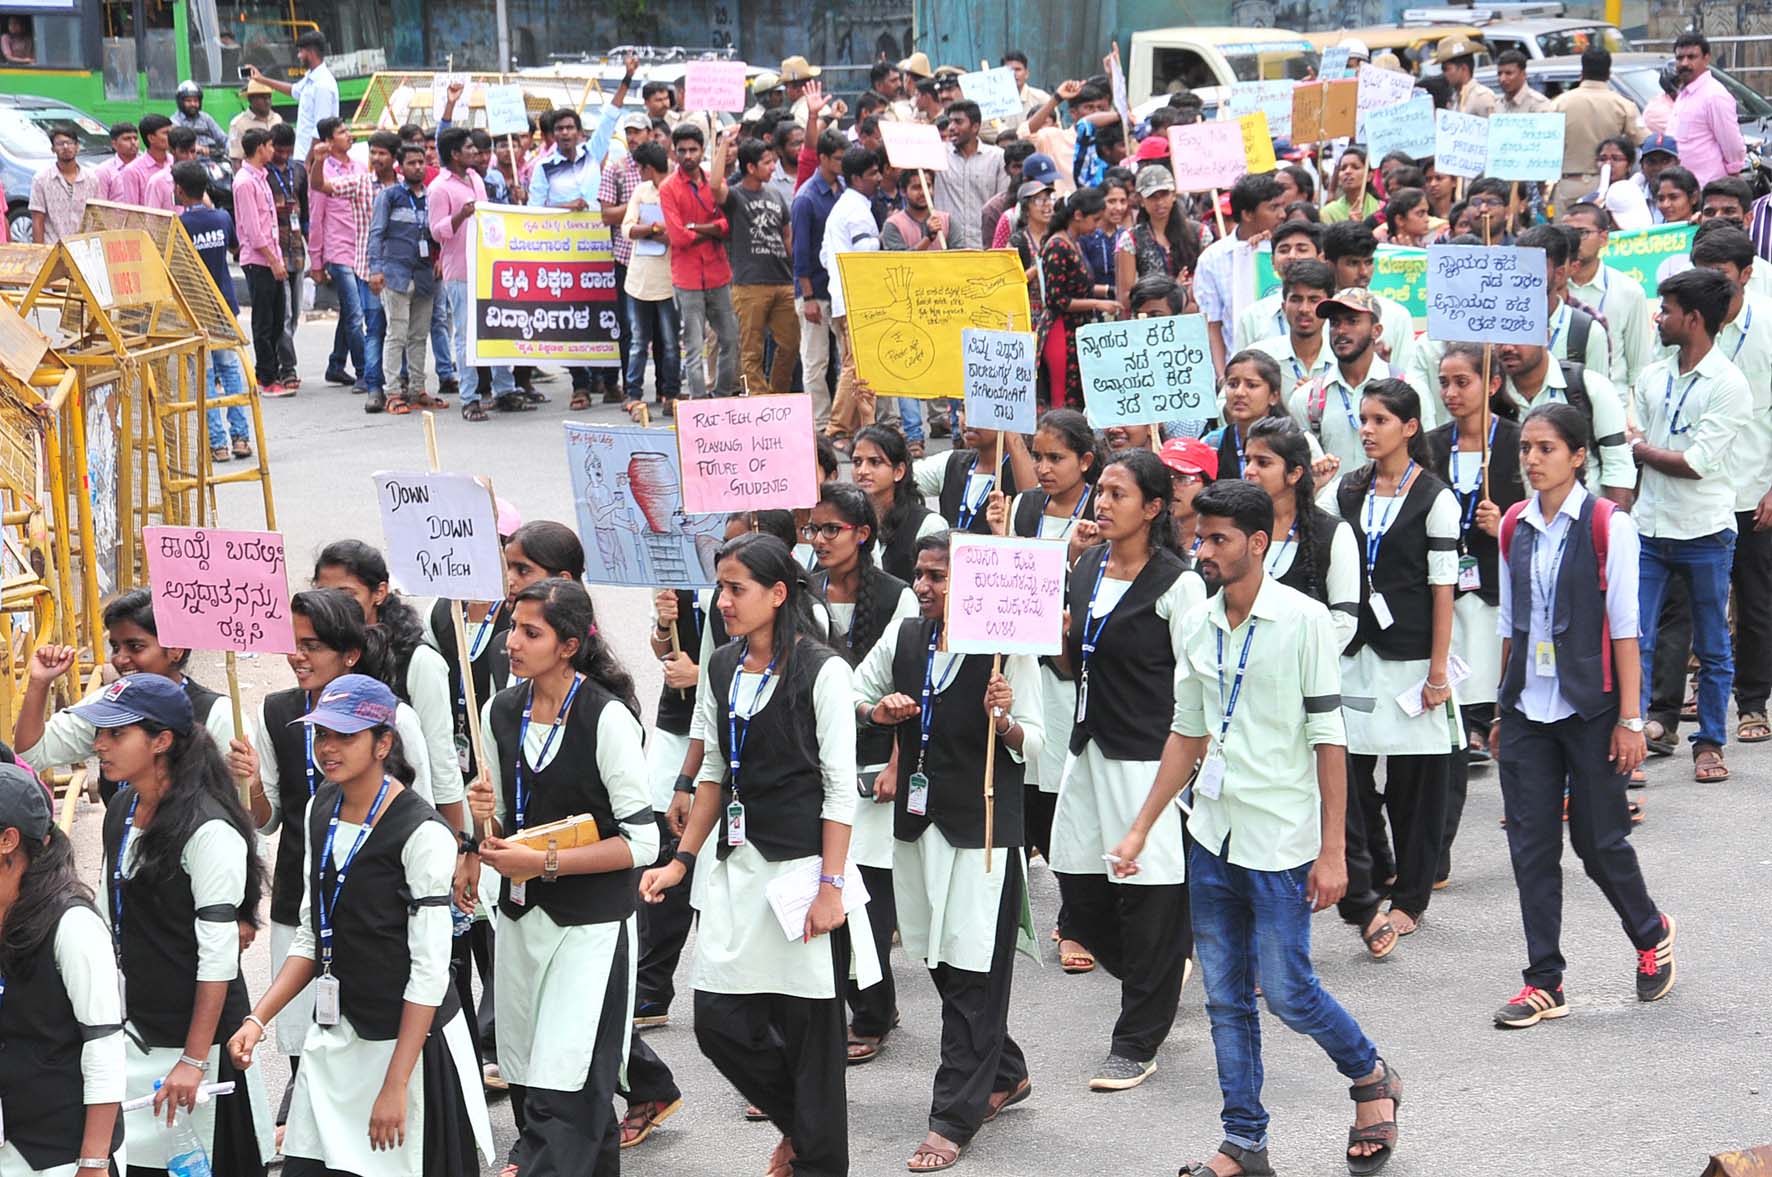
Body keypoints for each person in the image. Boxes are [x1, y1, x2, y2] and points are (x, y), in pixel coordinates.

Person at [1110, 479, 1402, 1177]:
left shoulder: (1303, 621)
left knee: (1290, 989)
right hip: (1213, 832)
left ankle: (1370, 1074)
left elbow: (1331, 739)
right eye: (1198, 537)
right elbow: (1188, 730)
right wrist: (1141, 828)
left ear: (1258, 542)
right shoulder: (1194, 621)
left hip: (1282, 840)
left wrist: (1334, 852)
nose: (1202, 550)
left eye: (1217, 539)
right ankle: (1243, 1139)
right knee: (1224, 997)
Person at [638, 533, 876, 1177]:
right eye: (720, 587)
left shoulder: (823, 669)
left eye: (736, 588)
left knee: (810, 1036)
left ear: (777, 594)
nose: (723, 601)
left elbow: (837, 787)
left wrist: (830, 885)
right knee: (717, 1019)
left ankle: (818, 1159)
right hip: (735, 867)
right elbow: (715, 767)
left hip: (801, 871)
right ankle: (805, 1130)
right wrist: (681, 860)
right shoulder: (721, 666)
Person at [228, 674, 492, 1176]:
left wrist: (395, 1085)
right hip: (336, 1036)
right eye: (322, 734)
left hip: (408, 1046)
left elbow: (430, 972)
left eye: (345, 736)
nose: (328, 748)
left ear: (383, 743)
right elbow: (312, 932)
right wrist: (257, 1019)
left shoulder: (425, 834)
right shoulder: (317, 809)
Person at [853, 530, 1042, 1171]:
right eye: (920, 575)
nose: (925, 588)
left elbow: (1038, 742)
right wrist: (879, 712)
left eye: (938, 576)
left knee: (973, 971)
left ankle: (953, 1115)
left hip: (982, 832)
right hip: (915, 825)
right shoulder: (908, 634)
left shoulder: (1006, 649)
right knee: (942, 961)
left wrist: (1007, 721)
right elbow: (856, 689)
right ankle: (1004, 1069)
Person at [463, 578, 656, 1175]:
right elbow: (499, 821)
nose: (511, 644)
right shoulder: (499, 709)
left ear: (569, 645)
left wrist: (544, 863)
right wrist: (480, 824)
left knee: (566, 1086)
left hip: (591, 929)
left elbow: (641, 840)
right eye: (512, 629)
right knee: (528, 1079)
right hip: (520, 919)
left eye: (530, 632)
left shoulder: (606, 718)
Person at [1490, 402, 1675, 1028]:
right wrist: (1501, 704)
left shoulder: (1606, 524)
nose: (1533, 460)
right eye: (1526, 449)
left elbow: (1626, 629)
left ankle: (1650, 933)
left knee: (1598, 842)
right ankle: (1545, 980)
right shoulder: (1512, 523)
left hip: (1591, 707)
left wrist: (1630, 719)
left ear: (1578, 457)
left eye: (1546, 449)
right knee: (1531, 846)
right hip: (1525, 708)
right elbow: (1509, 624)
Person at [235, 589, 436, 1119]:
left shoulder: (398, 730)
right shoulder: (278, 715)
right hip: (308, 909)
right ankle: (306, 1110)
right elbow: (268, 819)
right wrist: (252, 783)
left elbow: (431, 809)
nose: (298, 656)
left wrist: (462, 854)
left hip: (383, 962)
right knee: (307, 1046)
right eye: (292, 644)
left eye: (313, 645)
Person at [1049, 449, 1206, 1092]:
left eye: (1118, 493)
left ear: (1153, 507)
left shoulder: (1180, 584)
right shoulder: (1086, 565)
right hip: (1088, 750)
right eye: (1101, 492)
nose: (1103, 503)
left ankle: (1137, 1039)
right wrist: (1050, 632)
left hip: (1148, 758)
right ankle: (1164, 966)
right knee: (1079, 895)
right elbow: (1072, 663)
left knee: (1148, 902)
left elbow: (1197, 689)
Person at [83, 675, 275, 1174]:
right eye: (100, 732)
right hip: (134, 1031)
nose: (100, 744)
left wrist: (192, 1061)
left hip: (196, 1044)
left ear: (162, 741)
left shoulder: (209, 828)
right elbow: (109, 911)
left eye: (116, 734)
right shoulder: (123, 806)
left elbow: (218, 958)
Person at [1332, 379, 1459, 943]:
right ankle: (1378, 865)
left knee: (1415, 783)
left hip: (1410, 656)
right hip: (1356, 651)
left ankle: (1412, 893)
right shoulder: (1346, 490)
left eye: (1380, 420)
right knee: (1351, 773)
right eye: (1363, 418)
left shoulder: (1436, 498)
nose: (1367, 429)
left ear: (1409, 428)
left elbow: (1442, 589)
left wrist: (1438, 670)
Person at [804, 485, 917, 1065]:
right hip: (825, 756)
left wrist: (900, 760)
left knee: (867, 897)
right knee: (829, 885)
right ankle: (851, 1004)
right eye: (813, 530)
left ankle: (873, 1011)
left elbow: (908, 678)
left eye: (832, 530)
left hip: (879, 760)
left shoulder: (899, 596)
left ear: (863, 534)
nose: (819, 540)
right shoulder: (803, 591)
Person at [1627, 267, 1751, 783]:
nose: (1659, 317)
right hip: (1649, 528)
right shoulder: (1653, 376)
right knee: (1634, 637)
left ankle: (1709, 744)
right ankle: (1631, 738)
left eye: (1668, 310)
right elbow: (1629, 438)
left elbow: (1696, 462)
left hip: (1704, 531)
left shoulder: (1728, 384)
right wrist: (1641, 451)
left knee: (1713, 645)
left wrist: (1641, 451)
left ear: (1693, 319)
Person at [0, 760, 126, 1174]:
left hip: (62, 1155)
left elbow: (104, 1045)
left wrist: (93, 1162)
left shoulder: (73, 925)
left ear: (8, 840)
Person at [1428, 343, 1524, 868]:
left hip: (1498, 597)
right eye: (1444, 381)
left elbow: (1550, 513)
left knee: (1510, 716)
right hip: (1444, 598)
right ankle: (1436, 849)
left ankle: (1533, 821)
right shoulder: (1429, 445)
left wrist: (1505, 520)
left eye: (1462, 381)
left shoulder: (1518, 441)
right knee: (1449, 730)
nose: (1451, 393)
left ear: (1490, 384)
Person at [16, 589, 243, 805]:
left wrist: (252, 785)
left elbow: (249, 814)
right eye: (115, 647)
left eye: (135, 647)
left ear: (175, 649)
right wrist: (39, 682)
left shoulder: (218, 714)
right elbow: (33, 753)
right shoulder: (109, 703)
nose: (120, 659)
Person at [1685, 226, 1772, 747]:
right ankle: (1688, 696)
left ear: (1747, 275)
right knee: (1696, 601)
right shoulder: (1683, 327)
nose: (1710, 290)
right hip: (1693, 485)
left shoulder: (1767, 327)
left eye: (1720, 280)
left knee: (1755, 599)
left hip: (1752, 487)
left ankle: (1754, 702)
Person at [430, 127, 529, 422]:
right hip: (460, 270)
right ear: (455, 154)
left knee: (496, 328)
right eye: (470, 148)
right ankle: (470, 397)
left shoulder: (475, 178)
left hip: (486, 264)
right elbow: (436, 231)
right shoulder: (440, 188)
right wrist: (460, 216)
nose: (476, 152)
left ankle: (504, 389)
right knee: (465, 335)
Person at [1242, 417, 1360, 646]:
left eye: (1263, 463)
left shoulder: (1333, 533)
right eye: (1247, 460)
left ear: (1294, 473)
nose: (1249, 471)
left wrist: (1290, 662)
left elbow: (1344, 622)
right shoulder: (1237, 528)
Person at [175, 161, 253, 462]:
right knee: (231, 369)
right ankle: (241, 437)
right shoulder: (222, 218)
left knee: (204, 376)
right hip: (224, 305)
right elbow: (235, 248)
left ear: (179, 190)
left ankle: (218, 444)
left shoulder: (179, 225)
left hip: (195, 310)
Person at [661, 125, 741, 401]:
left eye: (693, 150)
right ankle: (698, 403)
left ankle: (721, 396)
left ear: (702, 150)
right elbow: (677, 237)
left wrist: (695, 226)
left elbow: (728, 226)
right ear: (674, 152)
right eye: (682, 150)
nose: (687, 156)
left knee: (730, 339)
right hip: (688, 278)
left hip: (718, 273)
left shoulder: (715, 182)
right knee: (694, 346)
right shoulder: (668, 188)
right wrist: (710, 230)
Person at [1288, 288, 1394, 481]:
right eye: (1335, 323)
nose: (1341, 331)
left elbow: (1423, 459)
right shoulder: (1306, 398)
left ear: (1376, 331)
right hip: (1329, 508)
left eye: (1352, 321)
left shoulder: (1405, 388)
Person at [368, 143, 439, 415]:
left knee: (419, 335)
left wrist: (441, 259)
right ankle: (393, 392)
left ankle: (417, 389)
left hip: (424, 274)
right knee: (396, 334)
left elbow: (437, 235)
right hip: (395, 273)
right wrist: (376, 270)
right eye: (412, 163)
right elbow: (376, 234)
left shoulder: (432, 197)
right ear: (401, 167)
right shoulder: (390, 196)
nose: (418, 167)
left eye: (421, 162)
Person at [727, 137, 801, 396]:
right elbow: (715, 187)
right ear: (750, 167)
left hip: (783, 280)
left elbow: (787, 234)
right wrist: (725, 142)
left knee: (791, 343)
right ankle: (756, 399)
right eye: (767, 163)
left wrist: (797, 270)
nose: (773, 167)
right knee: (751, 349)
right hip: (749, 284)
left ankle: (777, 395)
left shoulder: (776, 194)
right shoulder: (735, 195)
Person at [821, 146, 885, 440]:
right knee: (854, 365)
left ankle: (856, 429)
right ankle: (837, 429)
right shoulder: (856, 211)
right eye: (873, 173)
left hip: (844, 297)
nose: (880, 178)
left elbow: (825, 256)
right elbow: (865, 259)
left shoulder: (845, 207)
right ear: (857, 178)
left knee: (856, 363)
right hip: (856, 299)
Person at [305, 119, 373, 394]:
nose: (348, 135)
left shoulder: (359, 168)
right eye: (342, 132)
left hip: (361, 249)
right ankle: (364, 372)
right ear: (329, 141)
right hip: (339, 251)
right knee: (356, 315)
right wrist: (317, 262)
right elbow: (316, 218)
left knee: (350, 310)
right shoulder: (321, 173)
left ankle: (336, 363)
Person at [1197, 173, 1287, 377]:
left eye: (1283, 206)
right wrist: (1222, 377)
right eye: (1273, 208)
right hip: (1242, 373)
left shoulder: (1289, 251)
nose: (1282, 214)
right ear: (1247, 214)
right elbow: (1213, 326)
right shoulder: (1212, 259)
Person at [620, 141, 682, 417]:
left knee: (670, 342)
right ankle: (632, 393)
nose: (638, 172)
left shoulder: (676, 189)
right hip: (639, 280)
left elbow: (679, 233)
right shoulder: (640, 191)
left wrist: (662, 232)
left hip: (669, 280)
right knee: (638, 341)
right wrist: (653, 228)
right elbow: (626, 228)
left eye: (640, 167)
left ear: (648, 167)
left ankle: (670, 392)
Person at [1040, 187, 1118, 409]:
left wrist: (1109, 292)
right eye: (1094, 220)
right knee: (1061, 399)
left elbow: (1080, 286)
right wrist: (1097, 303)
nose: (1096, 226)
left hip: (1076, 329)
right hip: (1061, 331)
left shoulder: (1074, 242)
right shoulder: (1057, 246)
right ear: (1077, 216)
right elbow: (1057, 300)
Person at [1563, 203, 1653, 389]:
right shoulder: (1550, 289)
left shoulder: (1629, 291)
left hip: (1612, 401)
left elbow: (1639, 365)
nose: (1572, 242)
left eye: (1581, 233)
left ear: (1603, 238)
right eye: (1566, 234)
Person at [792, 129, 847, 431]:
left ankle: (839, 420)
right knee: (815, 361)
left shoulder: (843, 190)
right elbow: (800, 251)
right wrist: (808, 296)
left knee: (845, 360)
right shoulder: (806, 198)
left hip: (839, 289)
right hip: (814, 290)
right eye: (837, 159)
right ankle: (818, 423)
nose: (842, 164)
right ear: (823, 158)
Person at [1548, 48, 1644, 214]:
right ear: (1608, 73)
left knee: (1565, 237)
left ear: (1582, 72)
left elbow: (1546, 146)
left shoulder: (1559, 104)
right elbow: (1643, 140)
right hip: (1608, 187)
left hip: (1569, 185)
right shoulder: (1624, 105)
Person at [231, 127, 288, 400]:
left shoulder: (261, 178)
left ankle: (266, 370)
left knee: (277, 319)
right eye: (269, 146)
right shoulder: (244, 182)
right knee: (264, 322)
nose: (273, 150)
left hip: (271, 257)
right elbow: (254, 232)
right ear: (260, 148)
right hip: (259, 260)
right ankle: (267, 378)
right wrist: (273, 260)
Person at [852, 424, 943, 583]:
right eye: (857, 462)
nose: (862, 471)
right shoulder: (847, 521)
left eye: (875, 462)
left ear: (898, 471)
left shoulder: (928, 525)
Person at [263, 123, 309, 395]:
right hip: (275, 250)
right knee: (284, 313)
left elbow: (305, 212)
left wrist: (309, 238)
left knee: (294, 315)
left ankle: (283, 358)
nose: (282, 155)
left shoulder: (298, 170)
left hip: (296, 248)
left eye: (286, 151)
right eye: (278, 150)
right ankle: (287, 366)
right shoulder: (263, 173)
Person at [1668, 32, 1745, 186]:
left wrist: (1732, 175)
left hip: (1708, 188)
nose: (1684, 63)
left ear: (1706, 58)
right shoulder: (1685, 94)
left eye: (1691, 57)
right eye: (1679, 58)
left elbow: (1732, 144)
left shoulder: (1714, 95)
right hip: (1683, 187)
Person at [248, 30, 338, 161]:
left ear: (311, 53)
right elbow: (293, 90)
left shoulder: (323, 85)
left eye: (301, 52)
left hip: (314, 159)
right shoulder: (310, 78)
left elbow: (320, 130)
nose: (299, 56)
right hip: (302, 155)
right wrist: (261, 79)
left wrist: (309, 161)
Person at [1253, 257, 1337, 392]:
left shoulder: (1343, 361)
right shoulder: (1258, 357)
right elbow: (1223, 406)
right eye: (1296, 300)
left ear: (1329, 307)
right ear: (1284, 306)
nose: (1304, 309)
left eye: (1314, 300)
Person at [931, 100, 1005, 250]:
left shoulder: (997, 157)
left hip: (984, 248)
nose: (951, 128)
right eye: (950, 122)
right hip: (947, 249)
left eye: (958, 122)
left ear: (975, 127)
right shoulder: (937, 153)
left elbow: (1002, 203)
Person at [1234, 221, 1320, 350]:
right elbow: (1239, 368)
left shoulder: (1333, 311)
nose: (1292, 256)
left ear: (1320, 258)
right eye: (1284, 250)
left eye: (1301, 249)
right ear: (1273, 261)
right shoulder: (1252, 317)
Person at [28, 127, 96, 245]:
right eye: (60, 144)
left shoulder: (92, 178)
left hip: (84, 249)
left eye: (69, 143)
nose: (65, 147)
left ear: (77, 147)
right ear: (53, 149)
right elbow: (37, 219)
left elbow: (97, 217)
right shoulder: (41, 179)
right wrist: (39, 252)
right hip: (53, 247)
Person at [1009, 178, 1054, 322]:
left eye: (1048, 199)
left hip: (1054, 313)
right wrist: (1038, 267)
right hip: (1027, 315)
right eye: (1039, 201)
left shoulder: (1057, 237)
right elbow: (1011, 282)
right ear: (1026, 209)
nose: (1047, 205)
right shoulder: (1017, 242)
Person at [117, 112, 172, 206]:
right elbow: (132, 210)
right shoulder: (133, 171)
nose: (172, 136)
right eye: (166, 133)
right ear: (151, 138)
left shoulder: (174, 162)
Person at [1437, 36, 1496, 117]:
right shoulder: (1455, 97)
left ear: (1463, 69)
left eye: (1446, 69)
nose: (1444, 74)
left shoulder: (1482, 97)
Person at [1320, 147, 1380, 225]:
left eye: (1355, 167)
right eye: (1343, 168)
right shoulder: (1328, 212)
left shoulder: (1380, 208)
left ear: (1369, 176)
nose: (1347, 171)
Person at [228, 79, 282, 165]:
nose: (267, 101)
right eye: (262, 97)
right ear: (251, 99)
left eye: (269, 97)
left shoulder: (277, 119)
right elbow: (236, 159)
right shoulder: (238, 124)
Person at [171, 80, 226, 157]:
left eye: (195, 101)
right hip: (188, 163)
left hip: (213, 161)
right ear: (180, 102)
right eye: (188, 101)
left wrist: (230, 148)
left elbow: (223, 138)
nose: (193, 104)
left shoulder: (206, 118)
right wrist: (198, 148)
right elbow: (180, 143)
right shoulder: (175, 121)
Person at [93, 121, 138, 203]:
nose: (133, 143)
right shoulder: (104, 171)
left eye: (135, 138)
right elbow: (100, 206)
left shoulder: (144, 167)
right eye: (127, 139)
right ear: (114, 144)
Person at [1495, 49, 1550, 114]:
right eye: (1499, 74)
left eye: (1508, 73)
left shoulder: (1539, 105)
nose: (1502, 79)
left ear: (1523, 74)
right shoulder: (1497, 105)